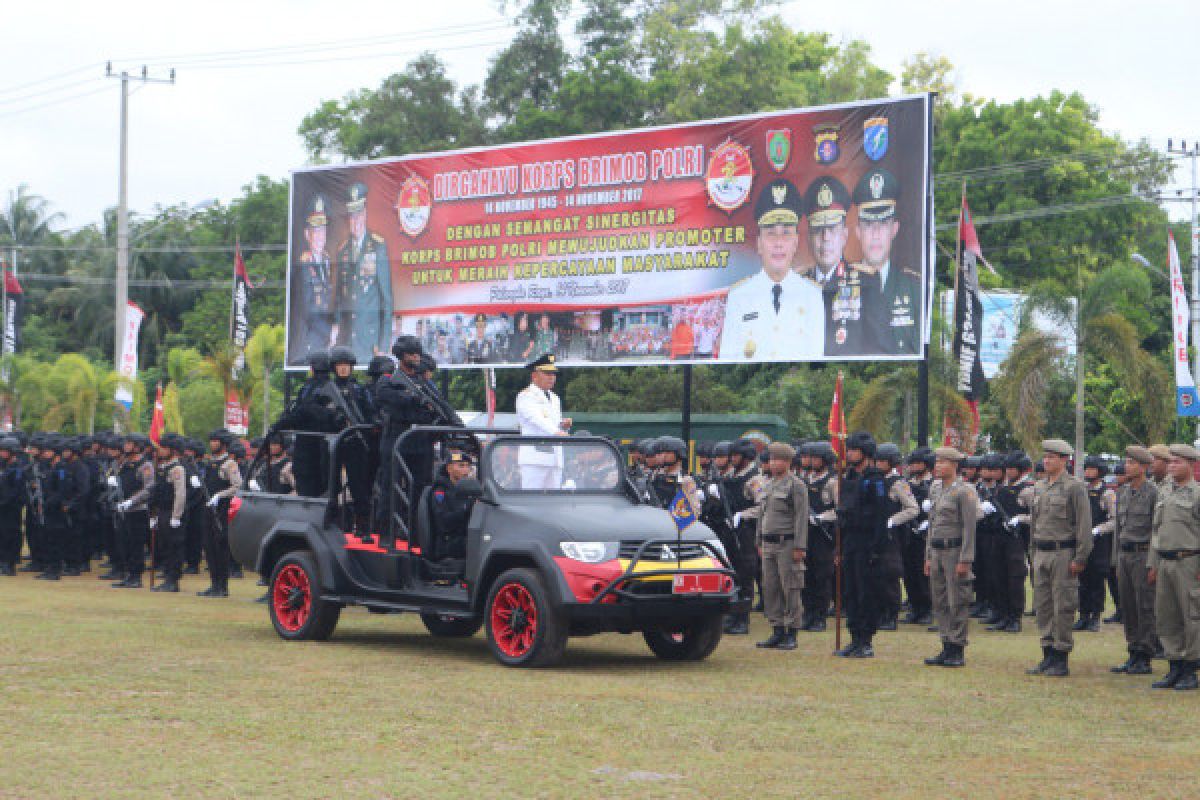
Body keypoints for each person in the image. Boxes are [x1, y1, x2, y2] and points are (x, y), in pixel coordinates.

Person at [720, 179, 825, 361]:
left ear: (795, 243)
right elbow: (727, 361)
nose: (778, 243)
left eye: (786, 233)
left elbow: (816, 361)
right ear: (759, 243)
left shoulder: (812, 295)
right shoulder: (739, 296)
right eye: (770, 233)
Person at [1026, 438, 1092, 677]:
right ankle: (1047, 653)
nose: (1047, 460)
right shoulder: (1040, 487)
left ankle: (1061, 656)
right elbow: (1035, 523)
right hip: (1041, 551)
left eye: (1052, 457)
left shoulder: (1074, 487)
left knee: (1062, 606)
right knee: (1042, 605)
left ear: (1065, 460)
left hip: (1063, 552)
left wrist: (1081, 557)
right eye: (1045, 456)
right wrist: (1032, 553)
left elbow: (1084, 525)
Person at [1147, 444, 1200, 690]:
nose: (1171, 466)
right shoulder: (1164, 492)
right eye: (1170, 462)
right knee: (1166, 616)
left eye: (1177, 462)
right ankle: (1174, 665)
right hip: (1165, 560)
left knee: (1190, 616)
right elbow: (1156, 531)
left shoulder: (1197, 494)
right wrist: (1153, 563)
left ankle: (1190, 668)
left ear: (1191, 464)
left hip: (1189, 561)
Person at [852, 167, 921, 355]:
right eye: (868, 224)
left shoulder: (914, 287)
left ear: (894, 229)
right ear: (858, 232)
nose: (875, 234)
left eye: (883, 224)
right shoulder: (841, 287)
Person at [835, 432, 891, 658]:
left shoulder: (874, 479)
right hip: (850, 540)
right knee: (850, 591)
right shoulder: (848, 477)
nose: (849, 454)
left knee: (866, 592)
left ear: (865, 453)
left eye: (854, 450)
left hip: (867, 542)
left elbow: (880, 514)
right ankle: (854, 636)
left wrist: (877, 548)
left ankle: (866, 640)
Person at [923, 446, 979, 668]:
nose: (938, 466)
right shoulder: (936, 489)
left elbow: (969, 528)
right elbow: (932, 524)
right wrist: (927, 555)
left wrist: (966, 559)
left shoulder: (965, 491)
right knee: (940, 600)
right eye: (937, 462)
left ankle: (957, 647)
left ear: (955, 465)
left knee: (958, 600)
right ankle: (946, 644)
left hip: (955, 551)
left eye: (943, 462)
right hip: (936, 550)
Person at [1110, 445, 1158, 676]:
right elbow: (1119, 530)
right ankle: (1133, 651)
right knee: (1128, 606)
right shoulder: (1123, 492)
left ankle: (1145, 655)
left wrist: (1153, 562)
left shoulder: (1153, 493)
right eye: (1127, 462)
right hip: (1125, 555)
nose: (1127, 466)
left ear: (1144, 467)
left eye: (1132, 463)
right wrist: (1116, 560)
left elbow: (1156, 530)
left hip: (1143, 554)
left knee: (1145, 607)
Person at [755, 442, 808, 651]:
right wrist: (758, 540)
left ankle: (792, 631)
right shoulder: (767, 484)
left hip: (787, 542)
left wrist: (800, 546)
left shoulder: (796, 485)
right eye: (771, 459)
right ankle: (777, 629)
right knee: (770, 587)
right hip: (768, 543)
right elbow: (762, 514)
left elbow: (801, 517)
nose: (773, 463)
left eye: (778, 459)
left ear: (787, 462)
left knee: (791, 588)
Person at [335, 182, 393, 357]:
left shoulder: (377, 246)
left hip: (370, 344)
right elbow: (339, 299)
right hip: (346, 344)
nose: (356, 221)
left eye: (359, 215)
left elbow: (386, 301)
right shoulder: (343, 251)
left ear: (365, 214)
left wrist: (383, 347)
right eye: (352, 216)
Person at [721, 438, 763, 634]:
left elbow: (762, 506)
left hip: (746, 532)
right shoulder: (731, 475)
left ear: (747, 457)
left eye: (736, 455)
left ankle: (742, 619)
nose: (733, 459)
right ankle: (731, 615)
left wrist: (743, 515)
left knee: (745, 574)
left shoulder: (755, 479)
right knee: (731, 572)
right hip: (729, 530)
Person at [989, 451, 1034, 632]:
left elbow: (1037, 516)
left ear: (1022, 470)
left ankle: (1015, 617)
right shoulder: (1002, 487)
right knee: (998, 576)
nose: (1008, 471)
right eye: (1007, 468)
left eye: (1012, 468)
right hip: (999, 536)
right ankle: (1003, 614)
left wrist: (1020, 518)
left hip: (1016, 539)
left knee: (1014, 578)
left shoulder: (1028, 489)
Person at [197, 429, 242, 599]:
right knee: (208, 547)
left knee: (220, 548)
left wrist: (219, 496)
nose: (212, 444)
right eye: (211, 440)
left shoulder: (229, 464)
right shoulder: (210, 463)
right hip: (209, 509)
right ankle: (213, 583)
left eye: (215, 441)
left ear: (223, 444)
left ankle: (222, 586)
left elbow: (237, 486)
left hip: (222, 510)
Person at [515, 353, 570, 489]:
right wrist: (556, 431)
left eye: (553, 374)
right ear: (534, 375)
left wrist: (563, 426)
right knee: (531, 501)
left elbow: (553, 424)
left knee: (553, 504)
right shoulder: (526, 396)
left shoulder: (555, 398)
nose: (552, 377)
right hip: (535, 458)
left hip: (555, 458)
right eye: (547, 373)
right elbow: (537, 419)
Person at [800, 443, 838, 632]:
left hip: (824, 534)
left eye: (816, 458)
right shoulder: (805, 479)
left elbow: (840, 510)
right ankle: (808, 613)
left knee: (822, 575)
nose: (812, 461)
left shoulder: (833, 481)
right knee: (806, 575)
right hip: (806, 533)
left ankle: (820, 616)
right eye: (811, 457)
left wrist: (821, 517)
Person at [1077, 456, 1117, 632]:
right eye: (1086, 469)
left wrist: (1098, 530)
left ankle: (1095, 617)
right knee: (1082, 579)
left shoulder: (1107, 494)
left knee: (1097, 580)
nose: (1088, 472)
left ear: (1100, 472)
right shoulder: (1081, 490)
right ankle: (1083, 615)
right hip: (1082, 541)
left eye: (1092, 469)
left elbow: (1115, 520)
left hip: (1099, 543)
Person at [113, 435, 156, 589]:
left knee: (136, 544)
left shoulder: (145, 466)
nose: (126, 446)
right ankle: (128, 574)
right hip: (123, 509)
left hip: (138, 510)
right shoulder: (123, 464)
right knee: (124, 543)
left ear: (138, 446)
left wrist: (132, 500)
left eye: (129, 444)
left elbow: (149, 488)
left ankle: (136, 577)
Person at [296, 193, 335, 356]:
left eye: (323, 231)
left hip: (331, 336)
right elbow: (306, 309)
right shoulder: (304, 265)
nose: (320, 237)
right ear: (307, 234)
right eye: (315, 231)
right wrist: (328, 333)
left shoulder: (328, 261)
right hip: (312, 337)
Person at [798, 175, 852, 289]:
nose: (825, 237)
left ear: (844, 236)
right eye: (818, 229)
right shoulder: (797, 286)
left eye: (832, 228)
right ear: (809, 239)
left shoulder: (863, 284)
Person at [150, 434, 188, 593]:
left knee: (174, 547)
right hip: (163, 511)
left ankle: (173, 580)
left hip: (172, 513)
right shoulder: (163, 467)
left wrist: (176, 516)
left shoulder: (177, 469)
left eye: (164, 448)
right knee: (164, 545)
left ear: (172, 450)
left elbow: (180, 494)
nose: (160, 451)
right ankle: (167, 577)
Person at [901, 447, 935, 625]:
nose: (914, 467)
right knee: (909, 572)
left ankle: (927, 609)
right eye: (912, 463)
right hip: (909, 532)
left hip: (926, 534)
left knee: (924, 574)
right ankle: (915, 606)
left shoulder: (934, 484)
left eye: (918, 463)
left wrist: (928, 522)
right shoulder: (907, 483)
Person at [429, 450, 478, 561]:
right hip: (449, 542)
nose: (466, 470)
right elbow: (443, 523)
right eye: (461, 466)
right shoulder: (440, 492)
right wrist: (467, 508)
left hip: (465, 537)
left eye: (468, 466)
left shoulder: (469, 490)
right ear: (449, 469)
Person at [0, 436, 24, 576]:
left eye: (4, 451)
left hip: (11, 508)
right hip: (2, 507)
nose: (1, 453)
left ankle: (10, 564)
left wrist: (3, 502)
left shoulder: (17, 469)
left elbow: (15, 491)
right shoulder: (4, 467)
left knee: (11, 534)